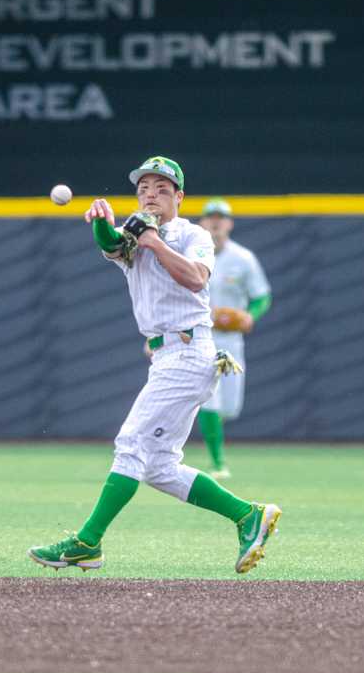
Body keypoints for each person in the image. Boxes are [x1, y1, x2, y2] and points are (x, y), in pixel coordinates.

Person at [28, 156, 281, 574]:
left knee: (130, 445)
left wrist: (154, 240)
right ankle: (248, 516)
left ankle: (87, 542)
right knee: (159, 465)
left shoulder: (191, 234)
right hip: (166, 355)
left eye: (162, 188)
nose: (151, 194)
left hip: (189, 350)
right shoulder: (133, 233)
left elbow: (198, 279)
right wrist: (100, 221)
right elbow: (112, 246)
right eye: (144, 187)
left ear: (179, 197)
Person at [197, 198, 272, 479]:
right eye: (210, 217)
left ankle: (210, 433)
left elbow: (262, 295)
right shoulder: (192, 253)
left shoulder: (243, 258)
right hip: (200, 338)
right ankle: (218, 463)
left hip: (231, 339)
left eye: (221, 217)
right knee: (210, 402)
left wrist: (251, 315)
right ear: (202, 222)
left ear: (229, 223)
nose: (216, 222)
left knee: (229, 408)